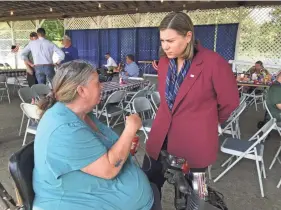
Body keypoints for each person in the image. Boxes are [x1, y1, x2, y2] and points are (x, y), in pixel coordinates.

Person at [32, 60, 162, 210]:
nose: (101, 86)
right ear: (81, 91)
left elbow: (103, 147)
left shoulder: (83, 114)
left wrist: (125, 146)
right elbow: (109, 169)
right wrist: (130, 129)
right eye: (97, 83)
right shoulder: (64, 128)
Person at [142, 12, 240, 195]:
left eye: (170, 41)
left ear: (188, 36)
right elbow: (166, 99)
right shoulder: (164, 62)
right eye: (162, 40)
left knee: (195, 194)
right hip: (160, 137)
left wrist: (206, 120)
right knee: (147, 186)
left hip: (194, 142)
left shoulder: (213, 63)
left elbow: (230, 102)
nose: (165, 46)